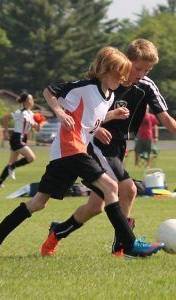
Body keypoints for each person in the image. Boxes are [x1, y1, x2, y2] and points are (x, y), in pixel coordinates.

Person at [0, 46, 164, 261]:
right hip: (70, 149)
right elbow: (50, 91)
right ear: (105, 70)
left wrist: (106, 120)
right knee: (111, 186)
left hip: (67, 154)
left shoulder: (109, 96)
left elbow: (90, 120)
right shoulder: (85, 86)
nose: (122, 79)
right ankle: (129, 245)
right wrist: (59, 113)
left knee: (38, 203)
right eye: (118, 74)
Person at [40, 39, 176, 258]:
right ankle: (124, 247)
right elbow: (86, 114)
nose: (141, 73)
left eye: (147, 69)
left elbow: (168, 121)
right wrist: (95, 128)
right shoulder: (107, 81)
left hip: (118, 147)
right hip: (98, 144)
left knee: (95, 206)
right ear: (126, 61)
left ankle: (58, 231)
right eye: (138, 68)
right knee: (129, 189)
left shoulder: (146, 86)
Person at [0, 92, 42, 188]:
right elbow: (6, 117)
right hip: (16, 138)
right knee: (31, 158)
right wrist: (6, 132)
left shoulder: (31, 114)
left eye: (32, 99)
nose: (32, 101)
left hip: (22, 139)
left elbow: (37, 129)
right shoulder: (20, 112)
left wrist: (39, 122)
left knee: (11, 162)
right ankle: (12, 167)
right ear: (25, 102)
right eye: (30, 99)